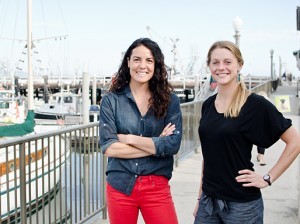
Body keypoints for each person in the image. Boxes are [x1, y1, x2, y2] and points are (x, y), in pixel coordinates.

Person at [193, 40, 300, 224]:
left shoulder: (255, 104)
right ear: (209, 66)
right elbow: (209, 156)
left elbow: (295, 141)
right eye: (215, 62)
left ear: (239, 65)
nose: (221, 67)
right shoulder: (208, 105)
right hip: (208, 203)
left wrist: (268, 178)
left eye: (228, 62)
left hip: (242, 207)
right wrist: (199, 198)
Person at [99, 38, 182, 224]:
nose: (142, 66)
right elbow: (110, 148)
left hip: (156, 186)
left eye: (149, 60)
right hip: (119, 185)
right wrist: (156, 143)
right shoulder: (111, 101)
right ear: (128, 62)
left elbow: (172, 145)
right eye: (137, 59)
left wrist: (129, 138)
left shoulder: (171, 101)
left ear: (156, 65)